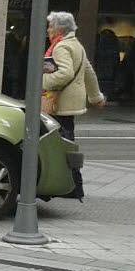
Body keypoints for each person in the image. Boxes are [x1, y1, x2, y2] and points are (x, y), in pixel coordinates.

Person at [42, 11, 105, 200]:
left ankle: (68, 185)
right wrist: (96, 98)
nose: (48, 30)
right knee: (66, 143)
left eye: (51, 26)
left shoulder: (61, 47)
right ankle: (73, 186)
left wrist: (42, 79)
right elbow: (89, 73)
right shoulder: (77, 45)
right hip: (69, 104)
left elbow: (65, 74)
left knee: (58, 146)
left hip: (59, 103)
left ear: (60, 29)